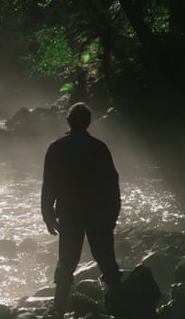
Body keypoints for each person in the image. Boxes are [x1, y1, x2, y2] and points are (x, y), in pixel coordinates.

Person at [41, 102, 122, 314]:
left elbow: (48, 185)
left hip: (69, 212)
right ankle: (116, 305)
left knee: (67, 260)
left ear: (68, 121)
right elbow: (113, 184)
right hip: (99, 212)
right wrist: (113, 215)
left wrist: (48, 215)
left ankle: (58, 308)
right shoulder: (99, 148)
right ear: (88, 123)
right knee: (106, 259)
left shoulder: (56, 147)